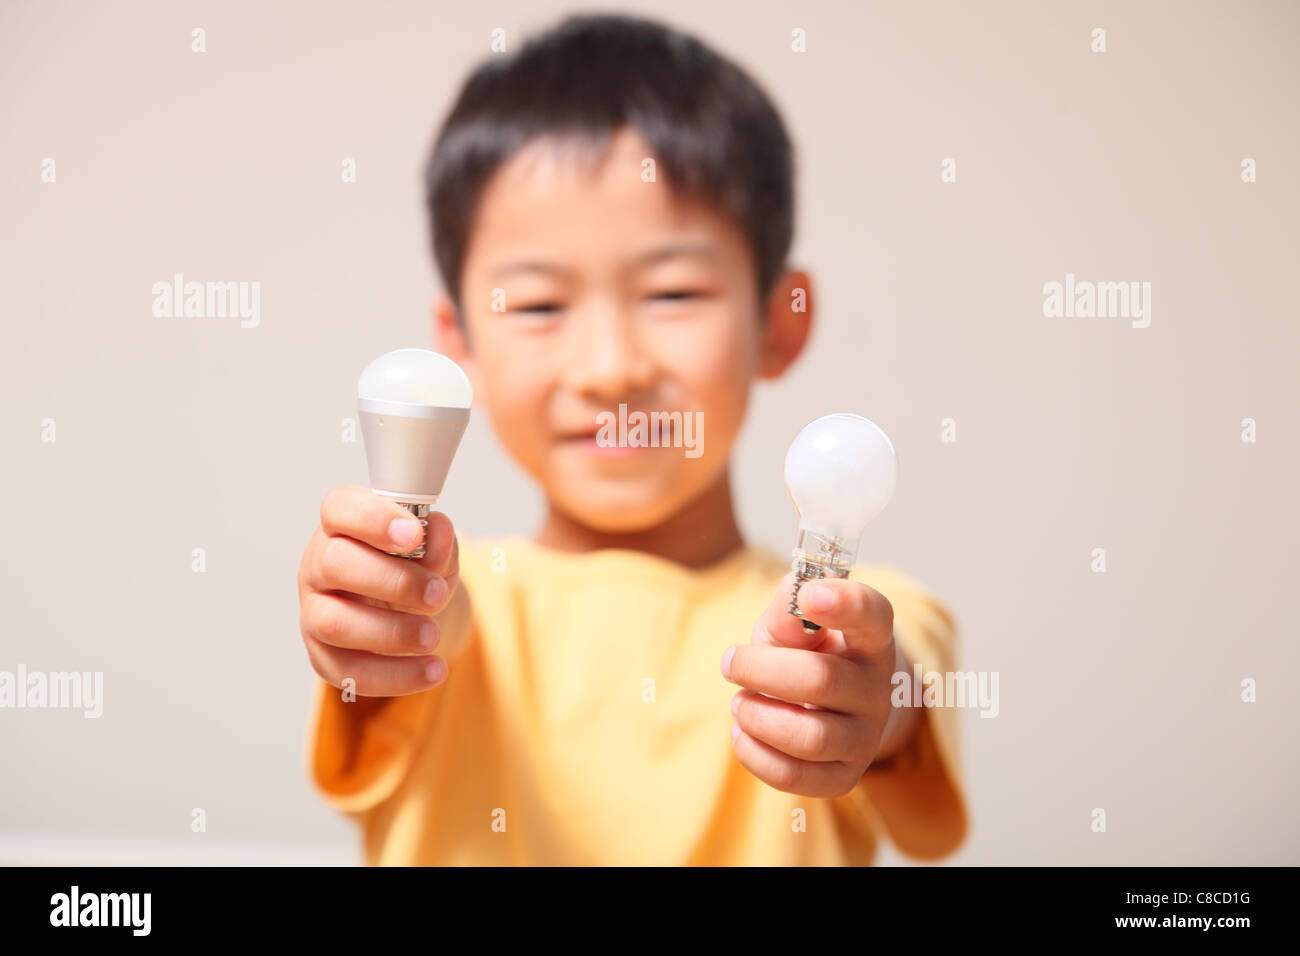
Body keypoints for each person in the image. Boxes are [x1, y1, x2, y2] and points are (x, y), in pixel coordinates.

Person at [297, 13, 967, 865]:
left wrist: (865, 697)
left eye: (673, 293)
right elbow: (428, 635)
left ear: (779, 323)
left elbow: (897, 680)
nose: (610, 369)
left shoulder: (866, 615)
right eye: (538, 306)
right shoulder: (456, 608)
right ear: (457, 344)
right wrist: (387, 608)